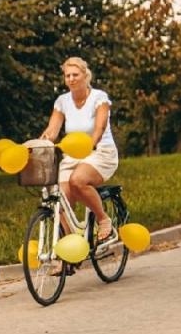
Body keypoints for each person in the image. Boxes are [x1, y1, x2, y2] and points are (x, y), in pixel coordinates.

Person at [36, 56, 119, 246]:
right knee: (60, 198)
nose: (71, 79)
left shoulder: (99, 98)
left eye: (75, 74)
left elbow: (99, 127)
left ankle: (103, 219)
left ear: (85, 75)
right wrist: (38, 146)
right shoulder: (62, 101)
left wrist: (91, 143)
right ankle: (72, 247)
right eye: (68, 76)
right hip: (73, 155)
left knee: (77, 181)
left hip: (100, 152)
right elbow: (52, 131)